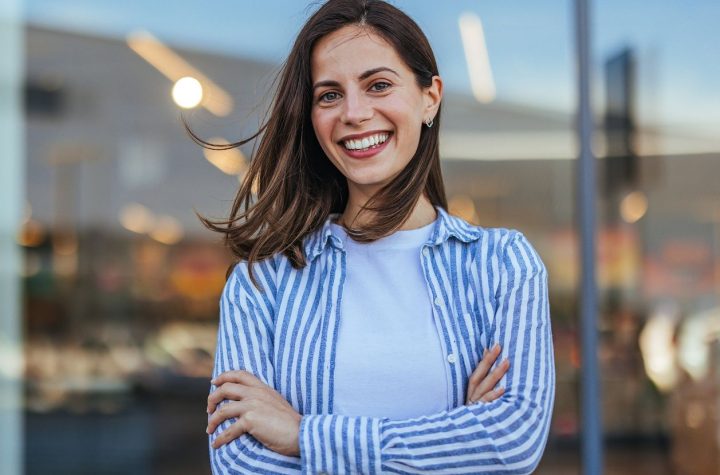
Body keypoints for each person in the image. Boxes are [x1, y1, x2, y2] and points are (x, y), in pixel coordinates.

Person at [188, 0, 555, 473]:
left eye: (378, 85)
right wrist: (455, 437)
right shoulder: (262, 286)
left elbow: (510, 443)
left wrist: (302, 434)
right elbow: (241, 465)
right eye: (329, 95)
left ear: (430, 97)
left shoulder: (504, 265)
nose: (355, 113)